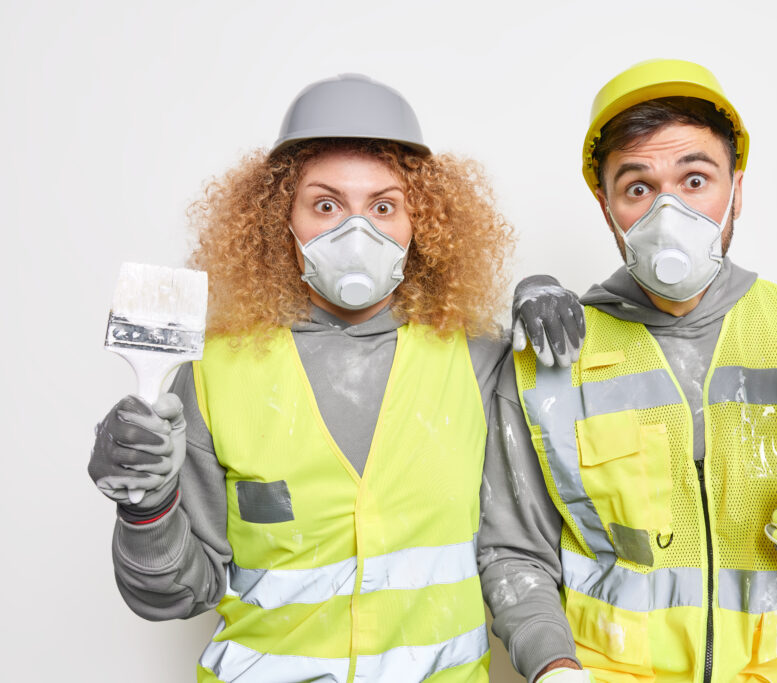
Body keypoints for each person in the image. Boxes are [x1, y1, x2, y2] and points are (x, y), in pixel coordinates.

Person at [89, 73, 580, 682]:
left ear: (418, 221)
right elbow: (172, 597)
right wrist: (147, 509)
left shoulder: (478, 360)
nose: (358, 232)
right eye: (326, 205)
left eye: (383, 206)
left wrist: (554, 666)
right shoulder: (213, 371)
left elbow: (515, 556)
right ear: (281, 222)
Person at [478, 59, 777, 682]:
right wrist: (553, 665)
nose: (667, 215)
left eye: (695, 180)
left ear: (737, 189)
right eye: (639, 188)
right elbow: (514, 553)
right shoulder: (552, 356)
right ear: (607, 206)